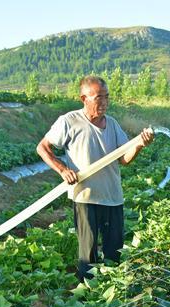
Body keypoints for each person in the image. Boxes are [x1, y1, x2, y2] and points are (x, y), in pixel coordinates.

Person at [36, 75, 155, 282]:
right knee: (87, 256)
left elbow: (124, 160)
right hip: (86, 197)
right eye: (98, 97)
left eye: (106, 97)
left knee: (114, 252)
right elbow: (42, 147)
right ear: (84, 98)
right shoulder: (69, 121)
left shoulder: (113, 124)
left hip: (112, 196)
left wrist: (139, 145)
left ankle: (113, 295)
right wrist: (63, 169)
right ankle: (88, 302)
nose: (104, 102)